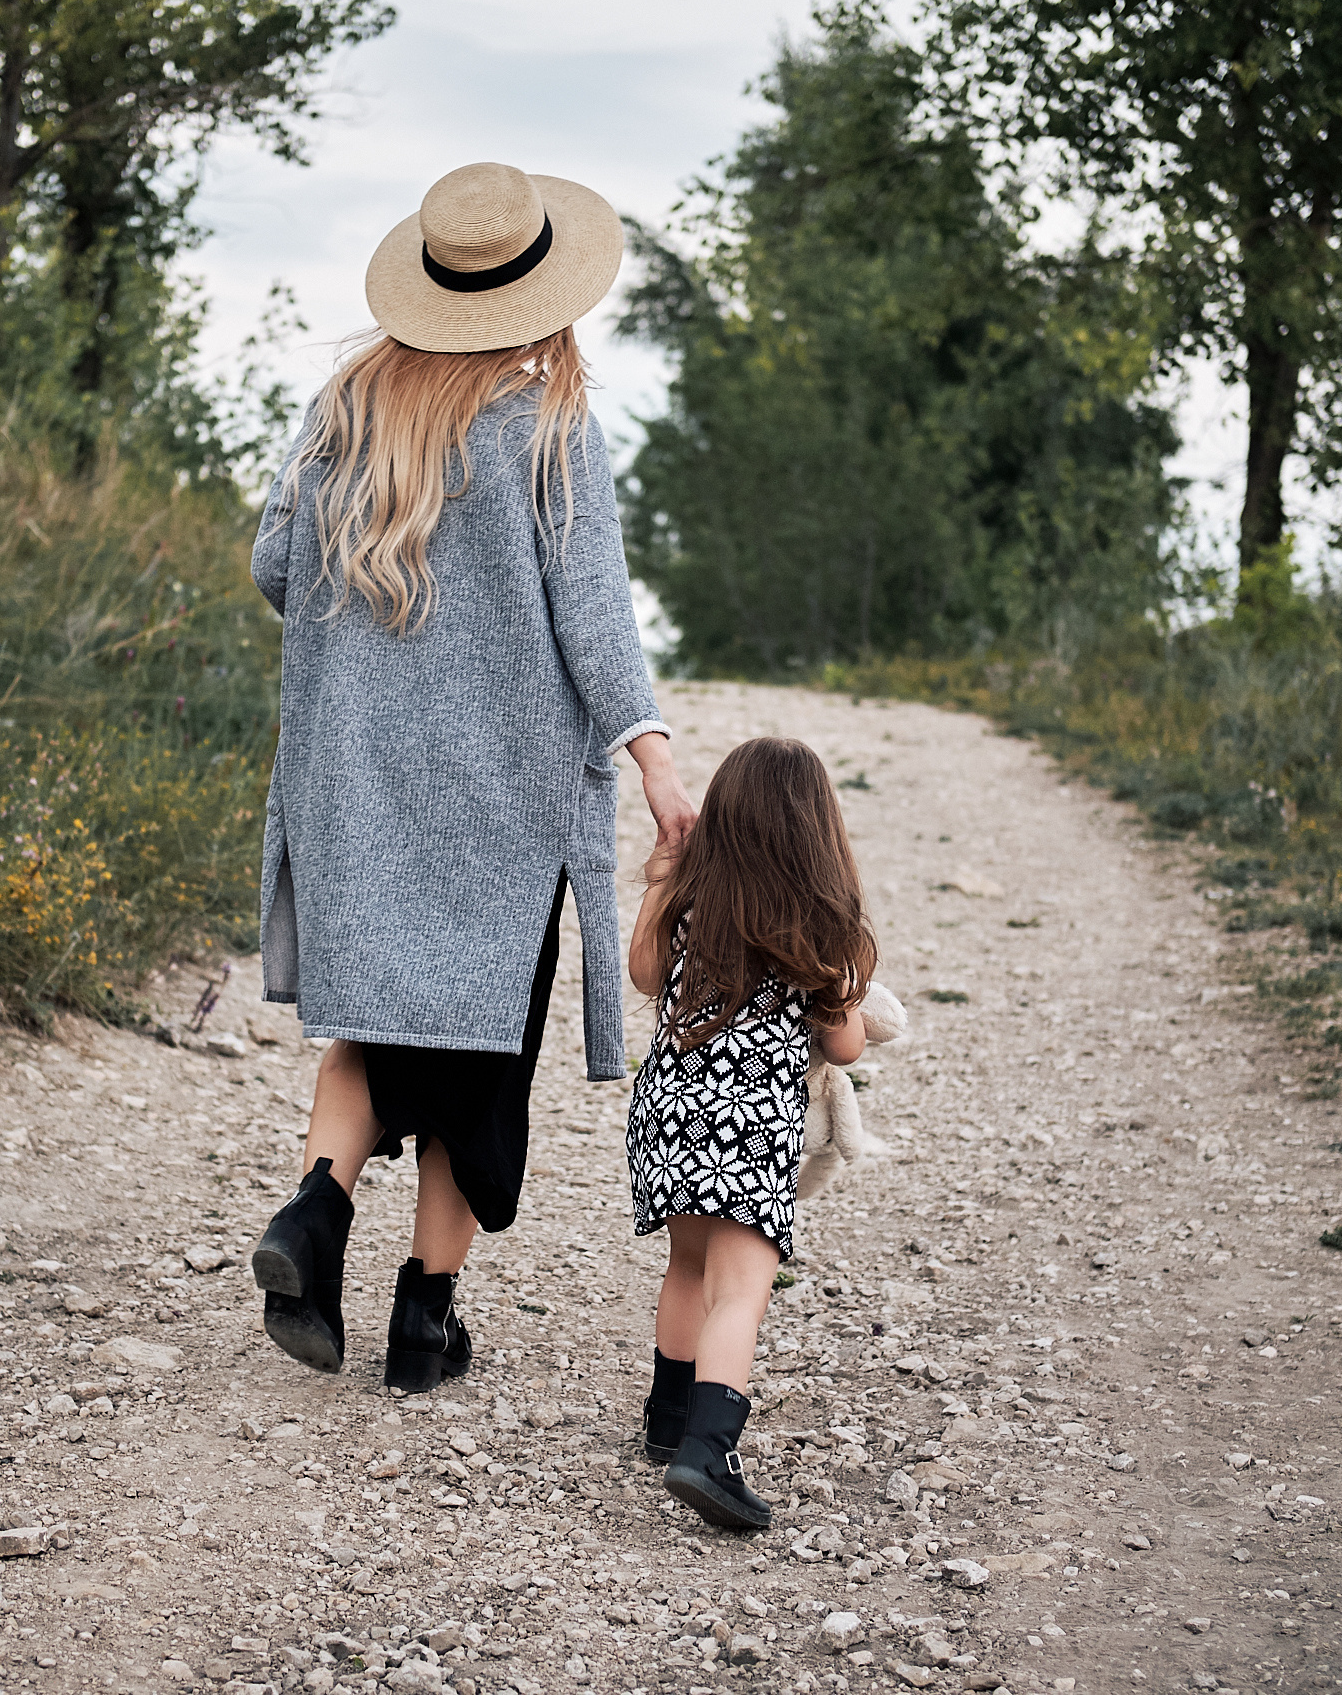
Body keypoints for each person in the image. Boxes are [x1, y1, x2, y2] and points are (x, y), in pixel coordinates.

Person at [246, 161, 697, 1394]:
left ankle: (314, 1214)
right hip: (496, 796)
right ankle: (420, 1321)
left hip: (356, 779)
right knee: (476, 1056)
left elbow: (279, 568)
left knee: (370, 1024)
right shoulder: (549, 429)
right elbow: (594, 617)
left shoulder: (345, 401)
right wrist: (653, 761)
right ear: (544, 296)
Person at [623, 737, 875, 1529]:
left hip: (667, 1112)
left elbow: (640, 971)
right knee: (741, 1290)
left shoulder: (694, 901)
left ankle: (669, 1417)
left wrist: (665, 871)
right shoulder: (816, 925)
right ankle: (711, 1449)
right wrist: (852, 1000)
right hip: (747, 1126)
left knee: (687, 1265)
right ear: (818, 835)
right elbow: (843, 1045)